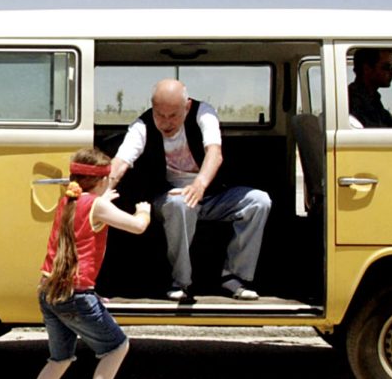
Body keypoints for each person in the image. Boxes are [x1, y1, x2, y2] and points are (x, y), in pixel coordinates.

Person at [15, 148, 151, 379]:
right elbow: (137, 227)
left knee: (59, 358)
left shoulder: (69, 199)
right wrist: (144, 210)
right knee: (116, 347)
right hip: (76, 296)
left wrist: (103, 198)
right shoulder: (98, 207)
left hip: (49, 290)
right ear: (101, 181)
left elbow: (94, 203)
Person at [108, 79, 271, 302]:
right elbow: (120, 162)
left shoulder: (204, 114)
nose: (166, 122)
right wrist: (101, 194)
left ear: (187, 106)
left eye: (173, 115)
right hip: (169, 198)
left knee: (259, 201)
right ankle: (180, 282)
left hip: (210, 193)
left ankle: (234, 276)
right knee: (180, 204)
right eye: (159, 115)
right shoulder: (142, 126)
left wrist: (199, 185)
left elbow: (215, 153)